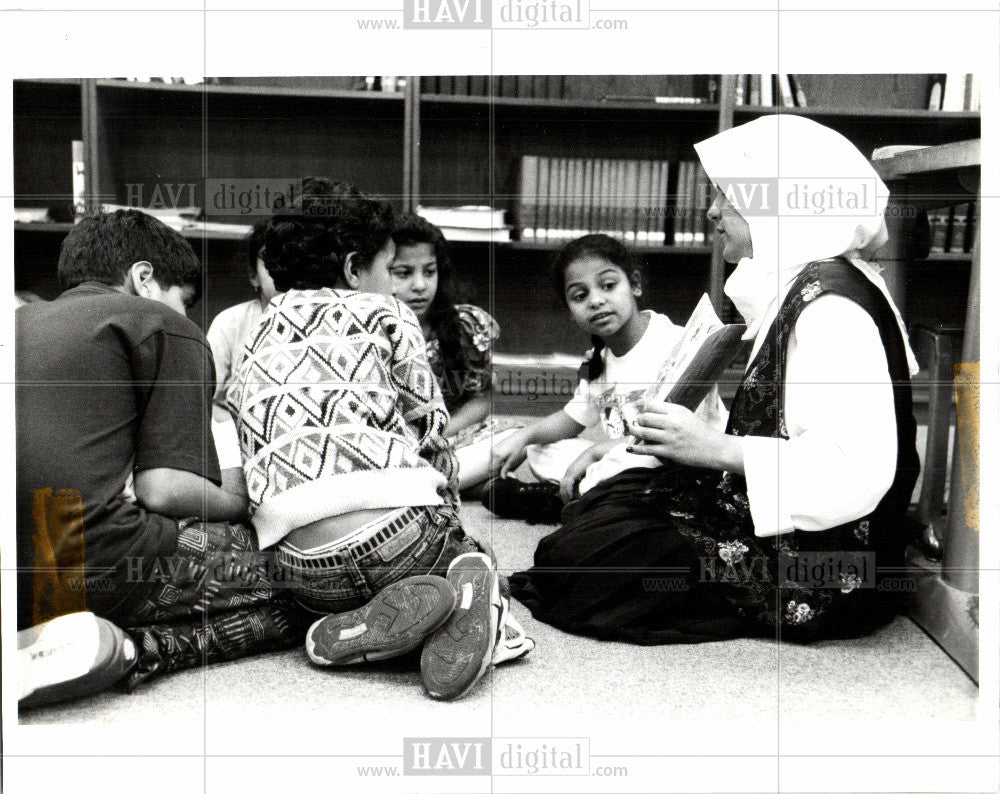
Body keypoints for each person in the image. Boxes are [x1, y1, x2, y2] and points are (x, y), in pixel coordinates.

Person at [509, 115, 921, 643]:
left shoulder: (832, 308)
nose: (712, 213)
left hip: (837, 566)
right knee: (610, 506)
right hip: (782, 515)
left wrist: (717, 449)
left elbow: (856, 473)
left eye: (726, 198)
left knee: (590, 562)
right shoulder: (806, 283)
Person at [227, 180, 532, 700]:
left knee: (340, 572)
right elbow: (432, 437)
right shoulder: (390, 316)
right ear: (352, 270)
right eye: (391, 271)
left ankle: (358, 622)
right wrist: (451, 523)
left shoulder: (250, 333)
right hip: (401, 542)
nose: (397, 287)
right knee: (473, 556)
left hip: (300, 568)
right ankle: (473, 609)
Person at [16, 210, 306, 708]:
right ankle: (131, 648)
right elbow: (164, 488)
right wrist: (238, 501)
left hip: (13, 578)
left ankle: (75, 638)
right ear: (143, 277)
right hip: (89, 565)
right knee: (308, 576)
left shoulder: (17, 320)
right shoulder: (163, 326)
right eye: (184, 301)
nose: (186, 316)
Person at [484, 233, 724, 522]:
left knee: (623, 464)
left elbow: (675, 437)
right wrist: (524, 435)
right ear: (571, 312)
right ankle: (587, 500)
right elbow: (571, 419)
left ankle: (561, 502)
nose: (596, 301)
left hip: (683, 461)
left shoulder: (675, 342)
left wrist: (597, 451)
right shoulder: (595, 360)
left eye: (609, 286)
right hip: (622, 464)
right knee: (542, 449)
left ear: (634, 284)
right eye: (580, 295)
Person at [390, 213, 516, 490]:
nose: (420, 285)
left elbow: (482, 401)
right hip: (391, 446)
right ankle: (461, 483)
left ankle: (430, 484)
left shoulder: (465, 325)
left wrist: (437, 436)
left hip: (446, 437)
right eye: (404, 273)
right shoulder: (369, 328)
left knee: (513, 439)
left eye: (429, 271)